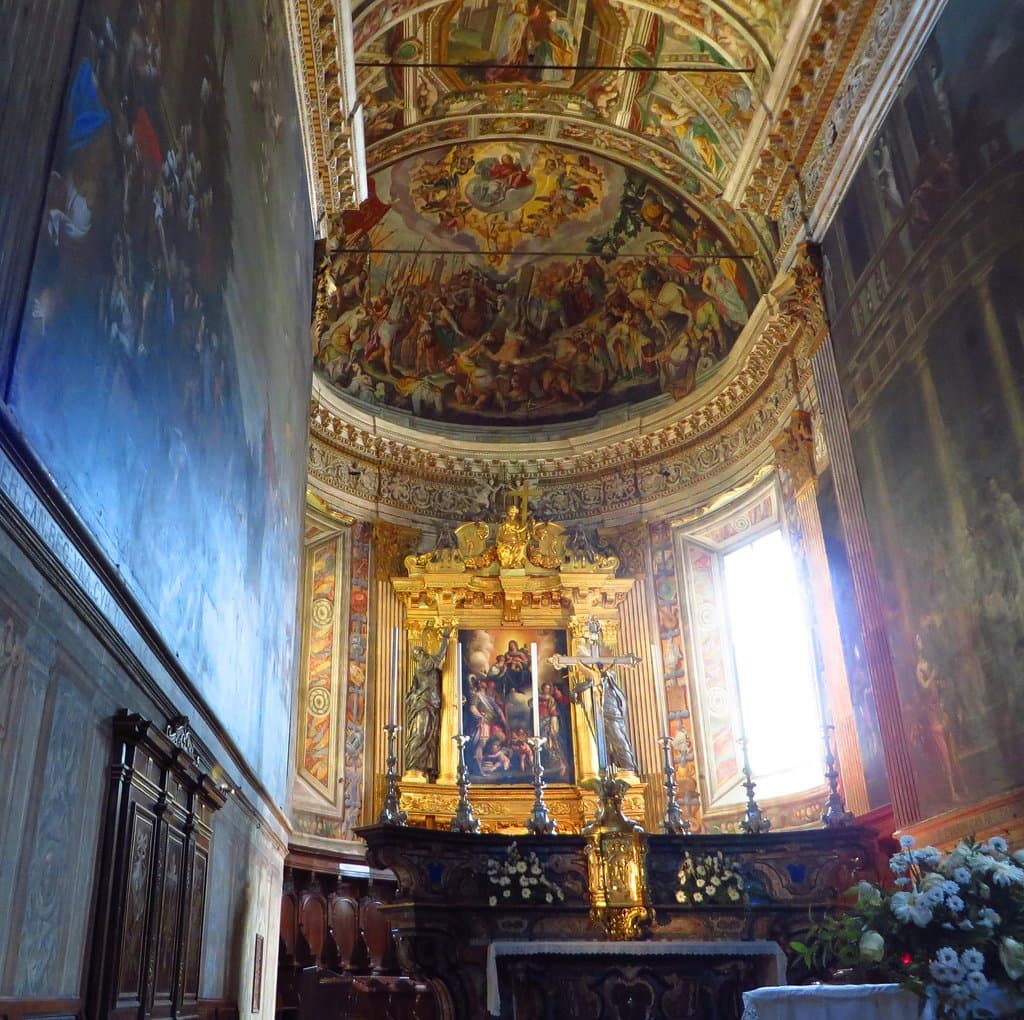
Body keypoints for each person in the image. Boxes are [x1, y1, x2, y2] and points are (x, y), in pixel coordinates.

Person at [402, 626, 452, 779]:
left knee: (429, 735)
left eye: (421, 652)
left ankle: (419, 767)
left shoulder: (423, 666)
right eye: (419, 653)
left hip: (430, 703)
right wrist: (445, 638)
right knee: (422, 733)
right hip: (424, 702)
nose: (422, 654)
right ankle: (415, 767)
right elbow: (440, 656)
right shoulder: (424, 664)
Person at [602, 667, 639, 774]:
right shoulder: (608, 685)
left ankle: (629, 766)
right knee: (611, 745)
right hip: (609, 714)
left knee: (620, 741)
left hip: (612, 714)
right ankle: (622, 766)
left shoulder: (609, 683)